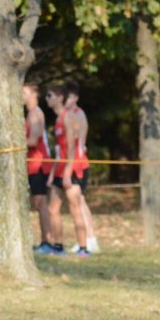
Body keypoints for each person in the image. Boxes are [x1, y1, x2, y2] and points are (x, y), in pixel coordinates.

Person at [45, 84, 90, 258]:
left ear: (59, 98)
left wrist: (67, 173)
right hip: (60, 168)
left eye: (49, 96)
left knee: (75, 208)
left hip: (73, 168)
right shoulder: (57, 120)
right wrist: (52, 174)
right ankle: (58, 246)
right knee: (53, 209)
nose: (47, 99)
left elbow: (71, 147)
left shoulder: (68, 117)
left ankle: (83, 248)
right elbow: (59, 150)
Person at [64, 82, 99, 254]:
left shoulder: (78, 114)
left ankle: (90, 239)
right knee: (78, 202)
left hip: (78, 163)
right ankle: (87, 239)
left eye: (69, 97)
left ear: (75, 97)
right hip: (75, 161)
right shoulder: (68, 114)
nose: (66, 100)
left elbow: (77, 140)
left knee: (80, 201)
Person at [23, 83, 54, 254]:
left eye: (24, 92)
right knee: (38, 203)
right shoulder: (30, 114)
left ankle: (47, 242)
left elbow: (33, 141)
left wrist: (13, 144)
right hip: (32, 163)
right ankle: (45, 241)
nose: (22, 95)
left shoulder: (35, 114)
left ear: (34, 94)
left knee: (41, 203)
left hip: (39, 163)